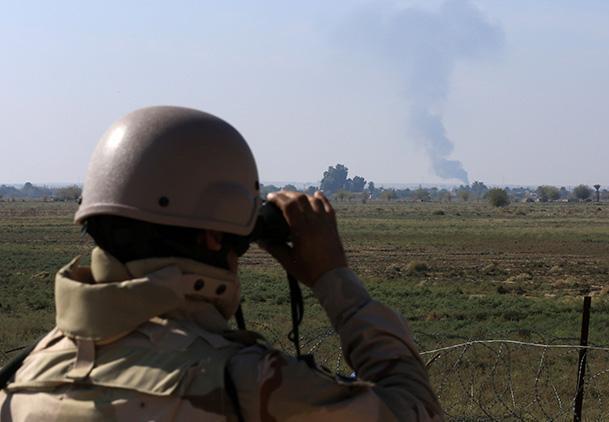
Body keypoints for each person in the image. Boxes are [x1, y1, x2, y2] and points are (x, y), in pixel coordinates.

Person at [0, 106, 442, 421]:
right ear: (214, 236)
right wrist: (335, 279)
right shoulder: (246, 383)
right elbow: (413, 410)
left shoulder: (26, 374)